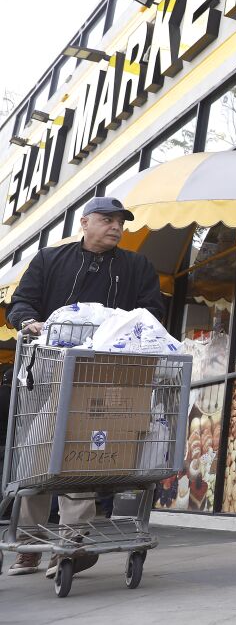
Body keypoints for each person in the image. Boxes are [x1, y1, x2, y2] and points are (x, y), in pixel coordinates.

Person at [5, 196, 165, 577]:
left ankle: (70, 542)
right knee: (38, 453)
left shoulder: (136, 266)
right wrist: (30, 322)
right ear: (84, 222)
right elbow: (21, 304)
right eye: (107, 219)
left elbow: (152, 311)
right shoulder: (48, 260)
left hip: (106, 375)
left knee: (80, 454)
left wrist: (117, 326)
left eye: (120, 221)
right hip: (48, 370)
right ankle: (28, 545)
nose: (115, 227)